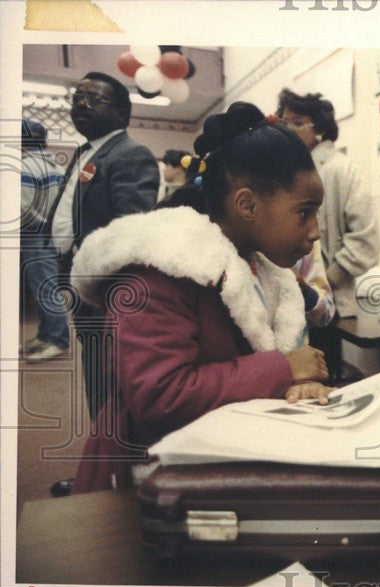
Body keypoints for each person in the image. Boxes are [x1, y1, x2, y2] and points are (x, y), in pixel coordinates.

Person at [70, 102, 332, 494]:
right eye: (304, 212)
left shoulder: (261, 267)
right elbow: (160, 397)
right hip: (145, 483)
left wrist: (297, 385)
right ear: (246, 204)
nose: (314, 232)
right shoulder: (159, 269)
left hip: (214, 466)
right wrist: (284, 369)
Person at [47, 71, 160, 420]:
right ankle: (104, 465)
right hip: (81, 281)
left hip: (106, 290)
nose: (81, 105)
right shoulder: (88, 152)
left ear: (122, 113)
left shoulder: (130, 154)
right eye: (77, 99)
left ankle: (112, 469)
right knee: (96, 372)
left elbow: (128, 231)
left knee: (109, 379)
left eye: (94, 99)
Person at [276, 89, 380, 318]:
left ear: (320, 130)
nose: (288, 129)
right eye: (284, 122)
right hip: (290, 300)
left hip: (328, 303)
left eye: (298, 122)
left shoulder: (340, 169)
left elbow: (367, 242)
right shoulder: (289, 170)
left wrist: (325, 282)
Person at [19, 119, 70, 361]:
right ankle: (46, 334)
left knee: (45, 288)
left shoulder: (25, 167)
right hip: (51, 232)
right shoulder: (57, 168)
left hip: (34, 232)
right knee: (44, 287)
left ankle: (58, 339)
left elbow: (22, 208)